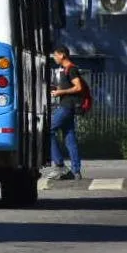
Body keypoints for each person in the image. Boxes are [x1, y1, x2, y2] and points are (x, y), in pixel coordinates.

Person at [46, 46, 85, 180]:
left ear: (62, 55)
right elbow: (70, 87)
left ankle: (59, 165)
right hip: (69, 106)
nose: (54, 58)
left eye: (55, 55)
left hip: (66, 107)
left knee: (47, 131)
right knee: (70, 137)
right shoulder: (65, 70)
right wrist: (57, 89)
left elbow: (78, 87)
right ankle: (76, 171)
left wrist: (60, 92)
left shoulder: (71, 69)